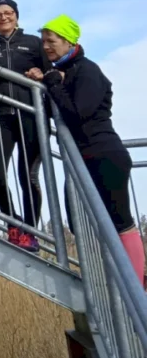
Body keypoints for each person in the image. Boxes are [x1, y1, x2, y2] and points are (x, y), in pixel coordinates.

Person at [27, 15, 145, 285]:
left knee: (120, 222)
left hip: (105, 154)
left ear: (68, 41)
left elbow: (79, 113)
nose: (46, 46)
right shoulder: (64, 71)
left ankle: (135, 287)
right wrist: (47, 82)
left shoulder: (87, 70)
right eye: (43, 41)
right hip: (82, 158)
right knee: (81, 222)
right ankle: (107, 283)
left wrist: (53, 83)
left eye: (51, 40)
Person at [0, 0, 48, 251]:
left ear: (16, 15)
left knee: (27, 176)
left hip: (30, 117)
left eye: (8, 12)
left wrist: (42, 75)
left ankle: (29, 232)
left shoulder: (34, 43)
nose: (4, 17)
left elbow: (52, 74)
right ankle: (13, 223)